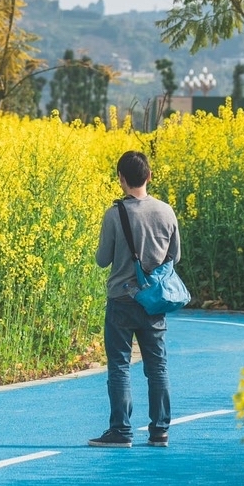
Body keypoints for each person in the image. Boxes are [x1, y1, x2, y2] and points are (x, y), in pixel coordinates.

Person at [88, 149, 180, 448]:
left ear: (121, 179)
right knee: (157, 367)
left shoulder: (114, 214)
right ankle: (160, 430)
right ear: (149, 176)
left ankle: (121, 431)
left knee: (119, 365)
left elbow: (103, 260)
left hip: (122, 300)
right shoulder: (166, 211)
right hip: (154, 301)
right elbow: (175, 256)